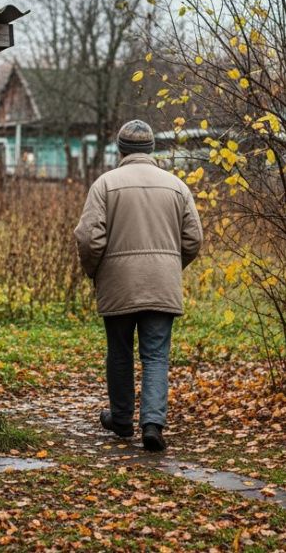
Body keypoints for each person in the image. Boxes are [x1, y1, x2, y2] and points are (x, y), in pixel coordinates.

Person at [73, 120, 203, 451]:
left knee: (119, 352)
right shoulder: (176, 186)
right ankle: (152, 425)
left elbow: (88, 238)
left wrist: (96, 271)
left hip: (118, 283)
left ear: (121, 149)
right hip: (162, 284)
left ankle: (121, 420)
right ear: (151, 149)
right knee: (156, 355)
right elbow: (193, 239)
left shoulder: (105, 185)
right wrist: (170, 266)